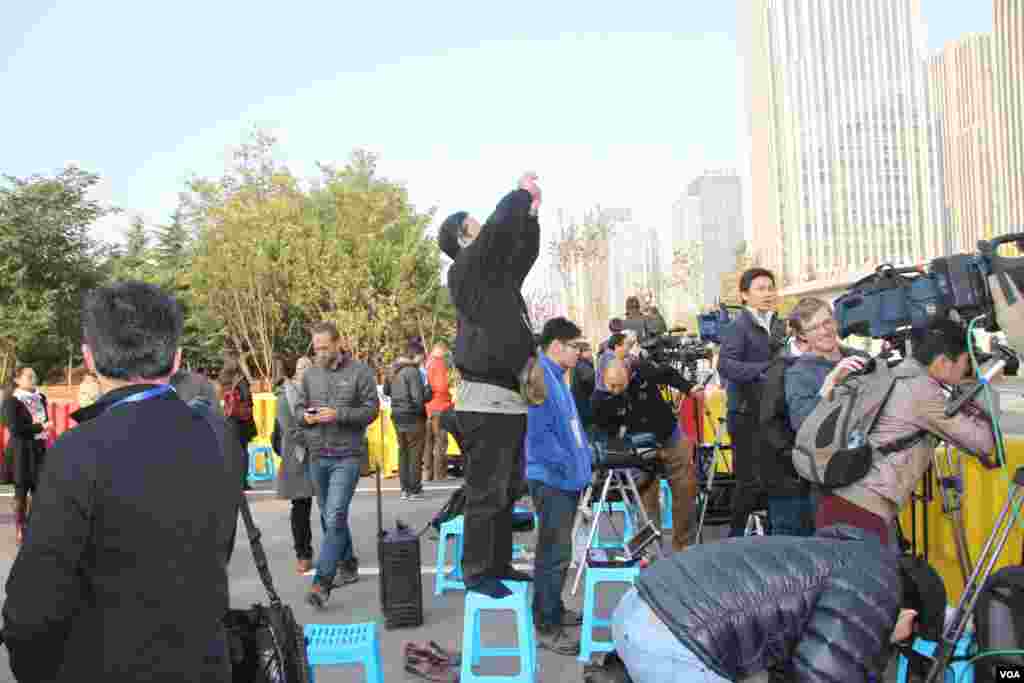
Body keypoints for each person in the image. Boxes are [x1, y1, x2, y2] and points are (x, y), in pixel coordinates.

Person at [2, 281, 241, 682]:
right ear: (177, 358)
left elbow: (33, 607)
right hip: (204, 664)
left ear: (88, 358)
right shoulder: (217, 436)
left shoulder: (79, 450)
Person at [611, 524, 924, 683]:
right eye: (909, 636)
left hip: (640, 602)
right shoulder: (872, 590)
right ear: (908, 614)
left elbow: (799, 660)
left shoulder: (845, 557)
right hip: (670, 638)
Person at [436, 172, 542, 599]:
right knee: (486, 491)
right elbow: (500, 229)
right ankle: (478, 573)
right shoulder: (466, 271)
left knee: (507, 489)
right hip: (484, 402)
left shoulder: (495, 278)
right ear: (463, 238)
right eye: (474, 225)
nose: (483, 228)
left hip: (511, 397)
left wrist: (531, 216)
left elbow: (521, 252)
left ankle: (499, 564)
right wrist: (520, 194)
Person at [815, 318, 997, 544]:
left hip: (838, 504)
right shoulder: (921, 390)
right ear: (943, 362)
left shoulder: (891, 372)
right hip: (861, 514)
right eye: (966, 361)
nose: (967, 369)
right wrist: (980, 389)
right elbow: (983, 443)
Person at [297, 321, 380, 609]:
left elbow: (372, 411)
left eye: (324, 348)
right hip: (318, 455)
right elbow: (298, 409)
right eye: (316, 348)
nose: (319, 353)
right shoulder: (309, 375)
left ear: (337, 343)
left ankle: (322, 583)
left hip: (347, 456)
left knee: (334, 515)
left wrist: (338, 414)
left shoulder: (360, 372)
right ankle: (348, 563)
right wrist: (305, 416)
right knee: (328, 517)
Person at [526, 317, 594, 656]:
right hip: (553, 480)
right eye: (574, 347)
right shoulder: (541, 376)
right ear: (556, 346)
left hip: (563, 479)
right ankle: (546, 625)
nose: (579, 353)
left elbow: (570, 430)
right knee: (553, 556)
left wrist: (583, 462)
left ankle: (552, 611)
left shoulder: (555, 377)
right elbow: (538, 440)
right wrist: (570, 465)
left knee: (556, 553)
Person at [592, 359, 699, 551]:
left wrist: (689, 389)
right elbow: (602, 431)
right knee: (646, 500)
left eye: (619, 385)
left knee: (685, 492)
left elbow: (667, 373)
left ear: (628, 374)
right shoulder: (600, 398)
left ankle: (684, 546)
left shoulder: (642, 369)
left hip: (669, 436)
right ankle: (651, 552)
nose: (615, 390)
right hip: (639, 449)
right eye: (611, 386)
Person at [717, 267, 786, 537]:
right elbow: (726, 365)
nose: (768, 293)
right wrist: (764, 369)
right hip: (745, 414)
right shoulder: (738, 326)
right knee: (748, 482)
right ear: (744, 295)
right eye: (760, 288)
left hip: (771, 412)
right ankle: (734, 540)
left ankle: (769, 538)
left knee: (772, 479)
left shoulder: (778, 324)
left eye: (771, 288)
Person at [273, 354, 317, 574]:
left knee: (329, 507)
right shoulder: (285, 396)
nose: (305, 371)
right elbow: (290, 432)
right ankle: (303, 554)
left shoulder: (315, 392)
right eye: (301, 367)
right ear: (295, 371)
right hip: (297, 457)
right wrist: (315, 438)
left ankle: (336, 553)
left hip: (316, 455)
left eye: (309, 366)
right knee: (301, 507)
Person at [1, 366, 51, 545]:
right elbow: (14, 429)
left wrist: (44, 430)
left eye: (35, 375)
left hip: (39, 449)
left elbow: (44, 421)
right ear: (18, 380)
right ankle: (20, 528)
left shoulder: (41, 397)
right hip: (21, 451)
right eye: (29, 376)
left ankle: (34, 526)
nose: (33, 378)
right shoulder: (11, 401)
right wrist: (40, 427)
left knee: (41, 491)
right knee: (21, 492)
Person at [389, 341, 430, 500]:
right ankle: (414, 489)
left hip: (397, 415)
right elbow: (418, 399)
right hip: (413, 417)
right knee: (415, 453)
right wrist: (427, 393)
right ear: (416, 355)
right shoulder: (413, 372)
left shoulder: (393, 369)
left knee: (403, 451)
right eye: (422, 356)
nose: (423, 359)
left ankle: (404, 489)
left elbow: (386, 390)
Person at [219, 354, 257, 490]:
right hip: (242, 420)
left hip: (228, 418)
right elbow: (247, 397)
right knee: (243, 451)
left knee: (231, 451)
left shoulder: (223, 380)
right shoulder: (240, 380)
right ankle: (242, 482)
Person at [424, 341, 453, 481]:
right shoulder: (440, 363)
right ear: (441, 351)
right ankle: (440, 474)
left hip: (428, 407)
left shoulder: (427, 362)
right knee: (441, 442)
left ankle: (427, 473)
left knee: (428, 442)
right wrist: (449, 396)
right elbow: (442, 386)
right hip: (440, 406)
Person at [571, 341, 596, 437]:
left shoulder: (580, 364)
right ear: (582, 352)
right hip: (584, 404)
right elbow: (591, 379)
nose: (591, 353)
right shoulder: (582, 365)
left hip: (581, 403)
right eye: (589, 350)